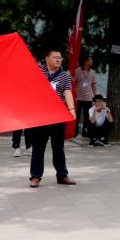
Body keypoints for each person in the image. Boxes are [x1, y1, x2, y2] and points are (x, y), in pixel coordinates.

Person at [27, 50, 77, 189]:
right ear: (47, 58)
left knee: (58, 148)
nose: (58, 59)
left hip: (58, 116)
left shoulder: (64, 75)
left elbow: (68, 92)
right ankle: (35, 177)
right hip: (41, 115)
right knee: (38, 148)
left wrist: (71, 109)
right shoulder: (38, 70)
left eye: (60, 58)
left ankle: (62, 175)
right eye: (55, 57)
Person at [74, 56, 98, 136]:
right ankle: (75, 131)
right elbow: (74, 82)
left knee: (87, 116)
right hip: (78, 97)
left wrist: (95, 96)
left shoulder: (92, 72)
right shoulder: (78, 71)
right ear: (85, 61)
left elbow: (94, 85)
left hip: (88, 98)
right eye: (90, 60)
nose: (92, 61)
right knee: (76, 116)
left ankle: (85, 132)